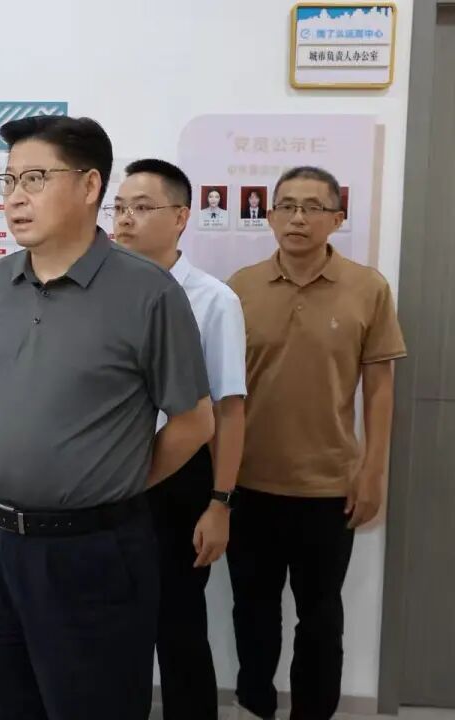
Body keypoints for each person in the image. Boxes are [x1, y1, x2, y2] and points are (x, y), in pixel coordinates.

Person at [0, 115, 215, 720]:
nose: (15, 196)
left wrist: (114, 481)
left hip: (93, 552)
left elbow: (194, 423)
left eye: (35, 178)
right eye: (8, 180)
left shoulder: (149, 293)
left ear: (89, 186)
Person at [227, 166, 407, 720]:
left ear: (337, 218)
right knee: (252, 611)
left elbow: (379, 387)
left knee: (321, 617)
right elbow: (224, 392)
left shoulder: (368, 288)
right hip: (249, 482)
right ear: (269, 216)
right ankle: (255, 705)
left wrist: (372, 471)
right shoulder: (240, 287)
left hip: (329, 487)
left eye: (312, 207)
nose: (298, 218)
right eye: (286, 206)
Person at [114, 159, 247, 720]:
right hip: (110, 474)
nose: (125, 219)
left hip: (181, 475)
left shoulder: (213, 300)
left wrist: (220, 503)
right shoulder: (99, 291)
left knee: (179, 625)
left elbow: (229, 410)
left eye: (142, 208)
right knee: (114, 627)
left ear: (181, 217)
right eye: (120, 207)